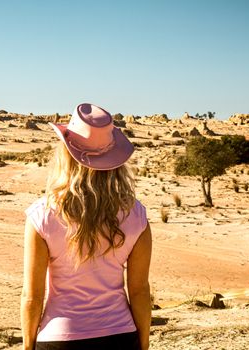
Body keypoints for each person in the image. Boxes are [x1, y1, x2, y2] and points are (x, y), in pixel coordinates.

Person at [21, 103, 152, 350]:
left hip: (59, 339)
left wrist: (28, 346)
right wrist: (143, 343)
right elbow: (139, 291)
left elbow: (32, 297)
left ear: (66, 154)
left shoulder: (43, 214)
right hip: (120, 336)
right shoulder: (136, 215)